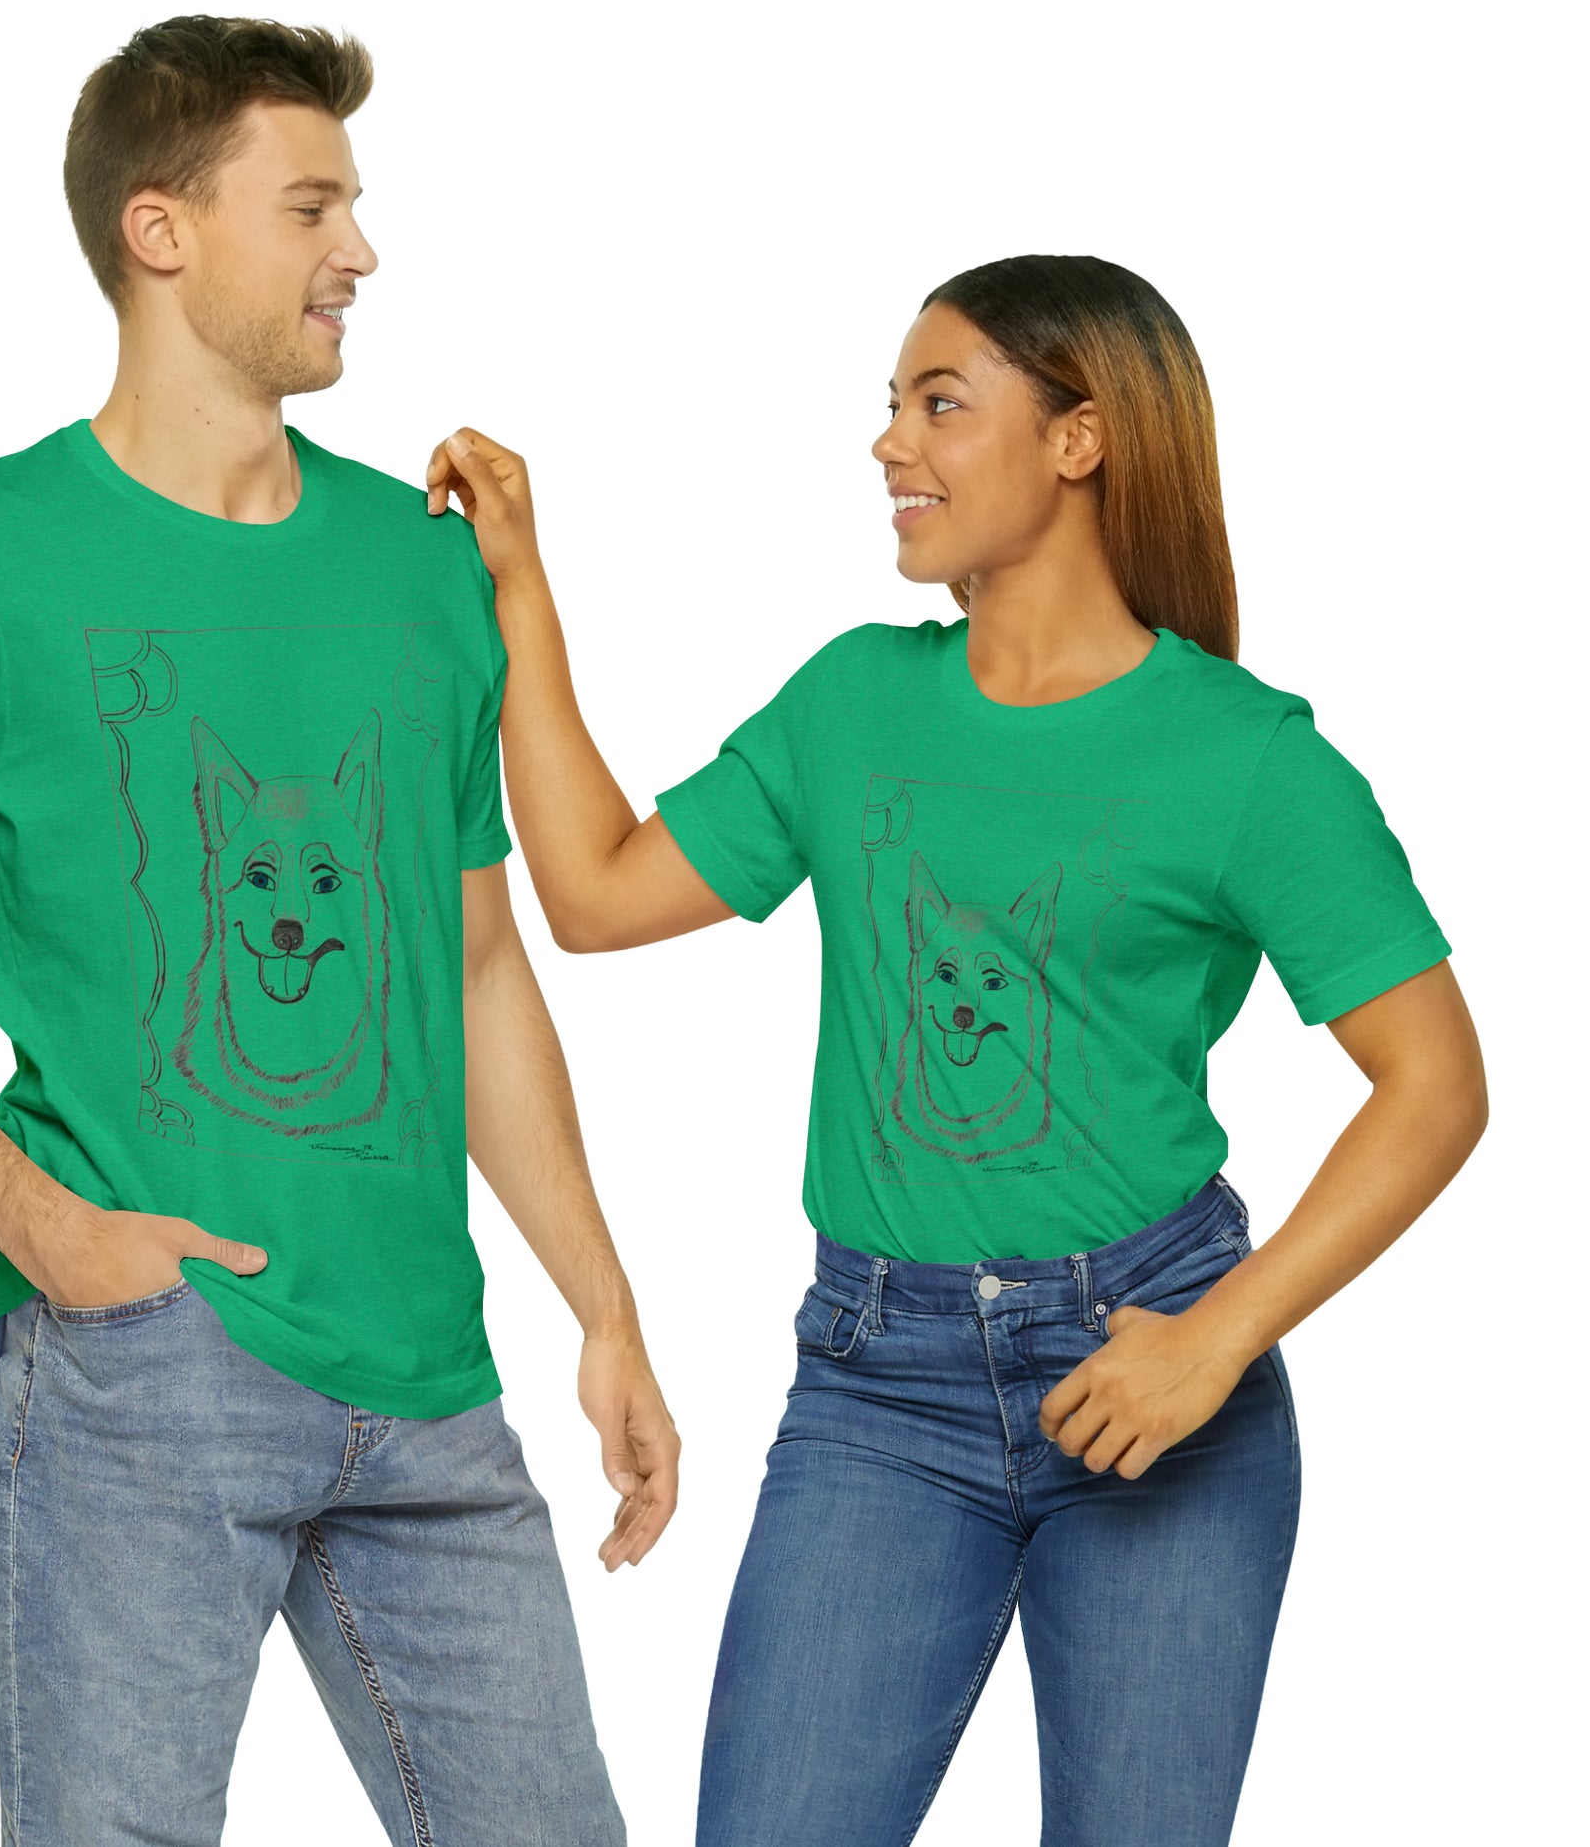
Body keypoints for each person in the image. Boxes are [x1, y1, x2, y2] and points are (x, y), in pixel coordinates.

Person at [424, 253, 1487, 1846]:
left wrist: (1211, 1342)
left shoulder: (1246, 757)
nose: (888, 444)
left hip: (1152, 1368)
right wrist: (519, 586)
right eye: (890, 406)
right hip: (879, 1386)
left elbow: (1436, 1083)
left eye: (938, 403)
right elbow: (592, 892)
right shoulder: (855, 701)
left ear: (1077, 439)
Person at [0, 15, 674, 1847]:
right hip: (136, 1361)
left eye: (355, 206)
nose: (361, 251)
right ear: (159, 230)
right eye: (312, 206)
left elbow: (475, 964)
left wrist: (603, 1303)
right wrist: (49, 1229)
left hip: (427, 1362)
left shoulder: (421, 566)